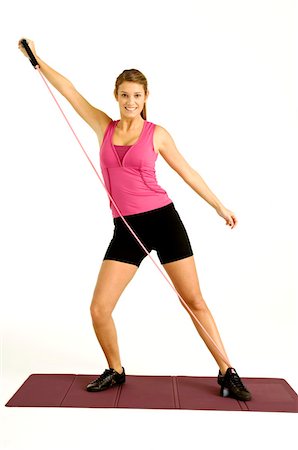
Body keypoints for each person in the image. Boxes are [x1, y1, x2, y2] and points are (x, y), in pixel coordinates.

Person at [18, 38, 251, 402]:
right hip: (126, 228)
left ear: (146, 98)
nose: (130, 102)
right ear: (116, 96)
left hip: (163, 220)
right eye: (125, 95)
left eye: (137, 96)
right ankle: (115, 369)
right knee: (99, 308)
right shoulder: (103, 127)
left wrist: (218, 206)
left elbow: (187, 171)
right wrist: (37, 61)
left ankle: (227, 370)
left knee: (193, 300)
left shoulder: (156, 134)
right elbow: (70, 92)